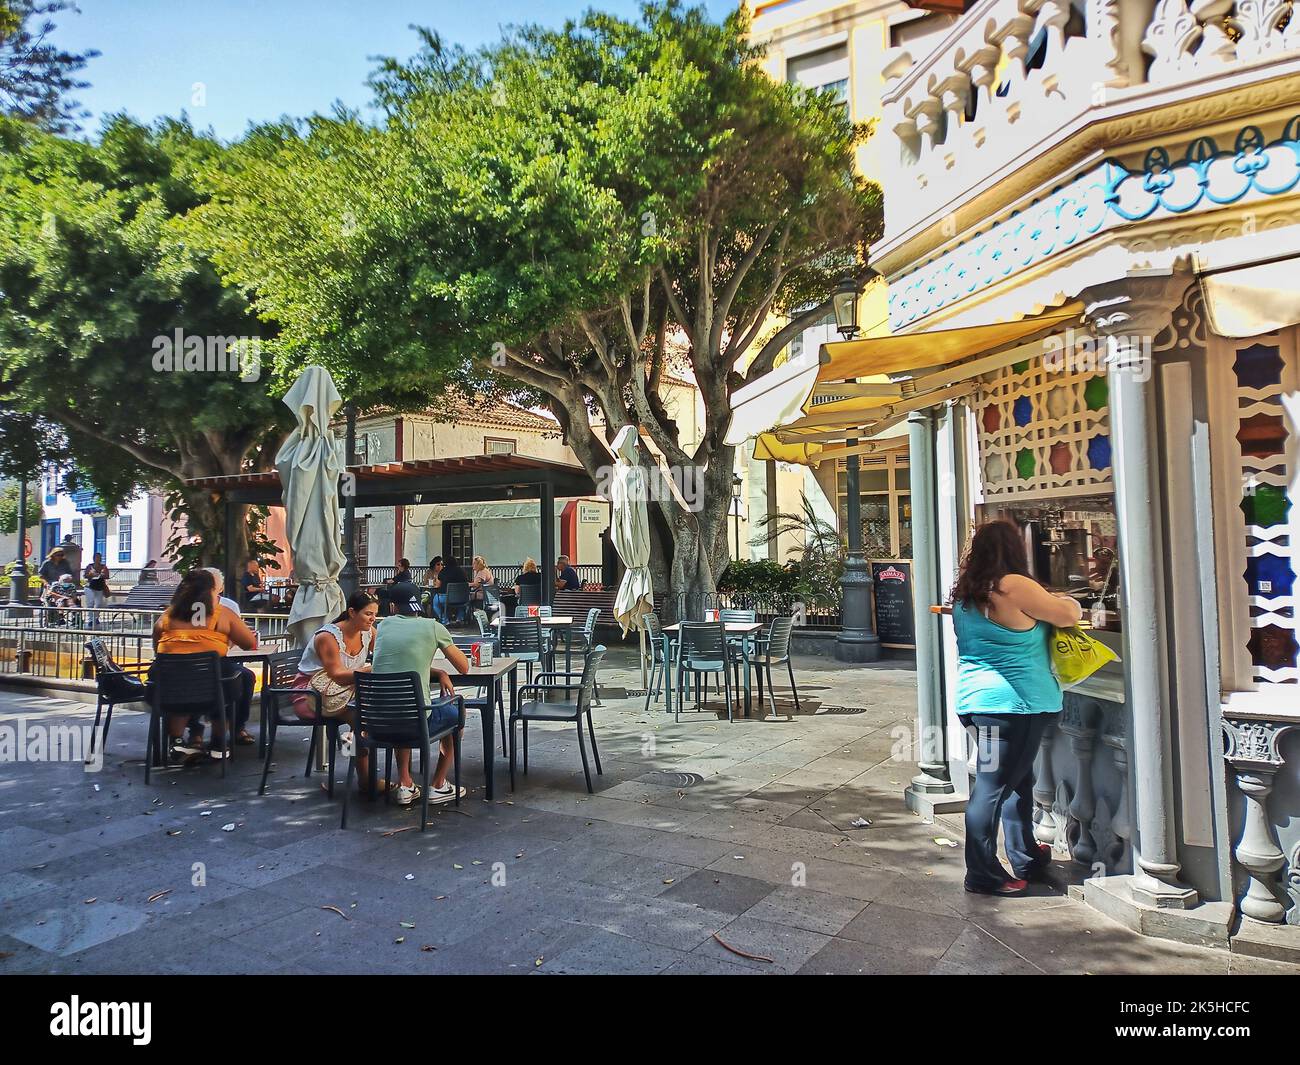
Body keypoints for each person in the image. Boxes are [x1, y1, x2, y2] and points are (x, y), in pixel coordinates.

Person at [950, 520, 1082, 897]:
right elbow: (1067, 615)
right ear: (1015, 549)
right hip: (1014, 706)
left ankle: (1025, 856)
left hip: (976, 702)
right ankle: (981, 873)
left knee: (1016, 783)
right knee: (992, 787)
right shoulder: (1014, 585)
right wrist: (1069, 600)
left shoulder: (966, 593)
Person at [369, 592, 470, 806]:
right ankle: (439, 784)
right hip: (418, 723)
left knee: (401, 706)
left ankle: (405, 784)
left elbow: (398, 660)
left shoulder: (384, 625)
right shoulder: (433, 627)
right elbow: (463, 667)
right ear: (420, 606)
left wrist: (437, 673)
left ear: (395, 608)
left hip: (378, 722)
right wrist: (442, 667)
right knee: (456, 711)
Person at [151, 569, 258, 761]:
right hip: (212, 687)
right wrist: (225, 639)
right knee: (230, 679)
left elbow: (157, 648)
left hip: (169, 691)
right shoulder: (222, 613)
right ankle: (218, 742)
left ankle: (176, 742)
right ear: (211, 592)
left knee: (182, 680)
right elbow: (250, 643)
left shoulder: (166, 617)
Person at [291, 591, 379, 780]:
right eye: (368, 614)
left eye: (374, 614)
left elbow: (384, 654)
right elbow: (337, 675)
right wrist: (373, 669)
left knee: (368, 715)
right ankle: (363, 779)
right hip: (310, 694)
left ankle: (354, 765)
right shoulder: (328, 636)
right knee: (360, 719)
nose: (373, 619)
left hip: (343, 690)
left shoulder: (369, 633)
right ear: (352, 612)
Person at [434, 555, 469, 624]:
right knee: (462, 605)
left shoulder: (443, 571)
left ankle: (444, 619)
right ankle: (460, 618)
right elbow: (466, 583)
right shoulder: (462, 571)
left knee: (435, 602)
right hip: (462, 598)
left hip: (446, 598)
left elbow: (438, 585)